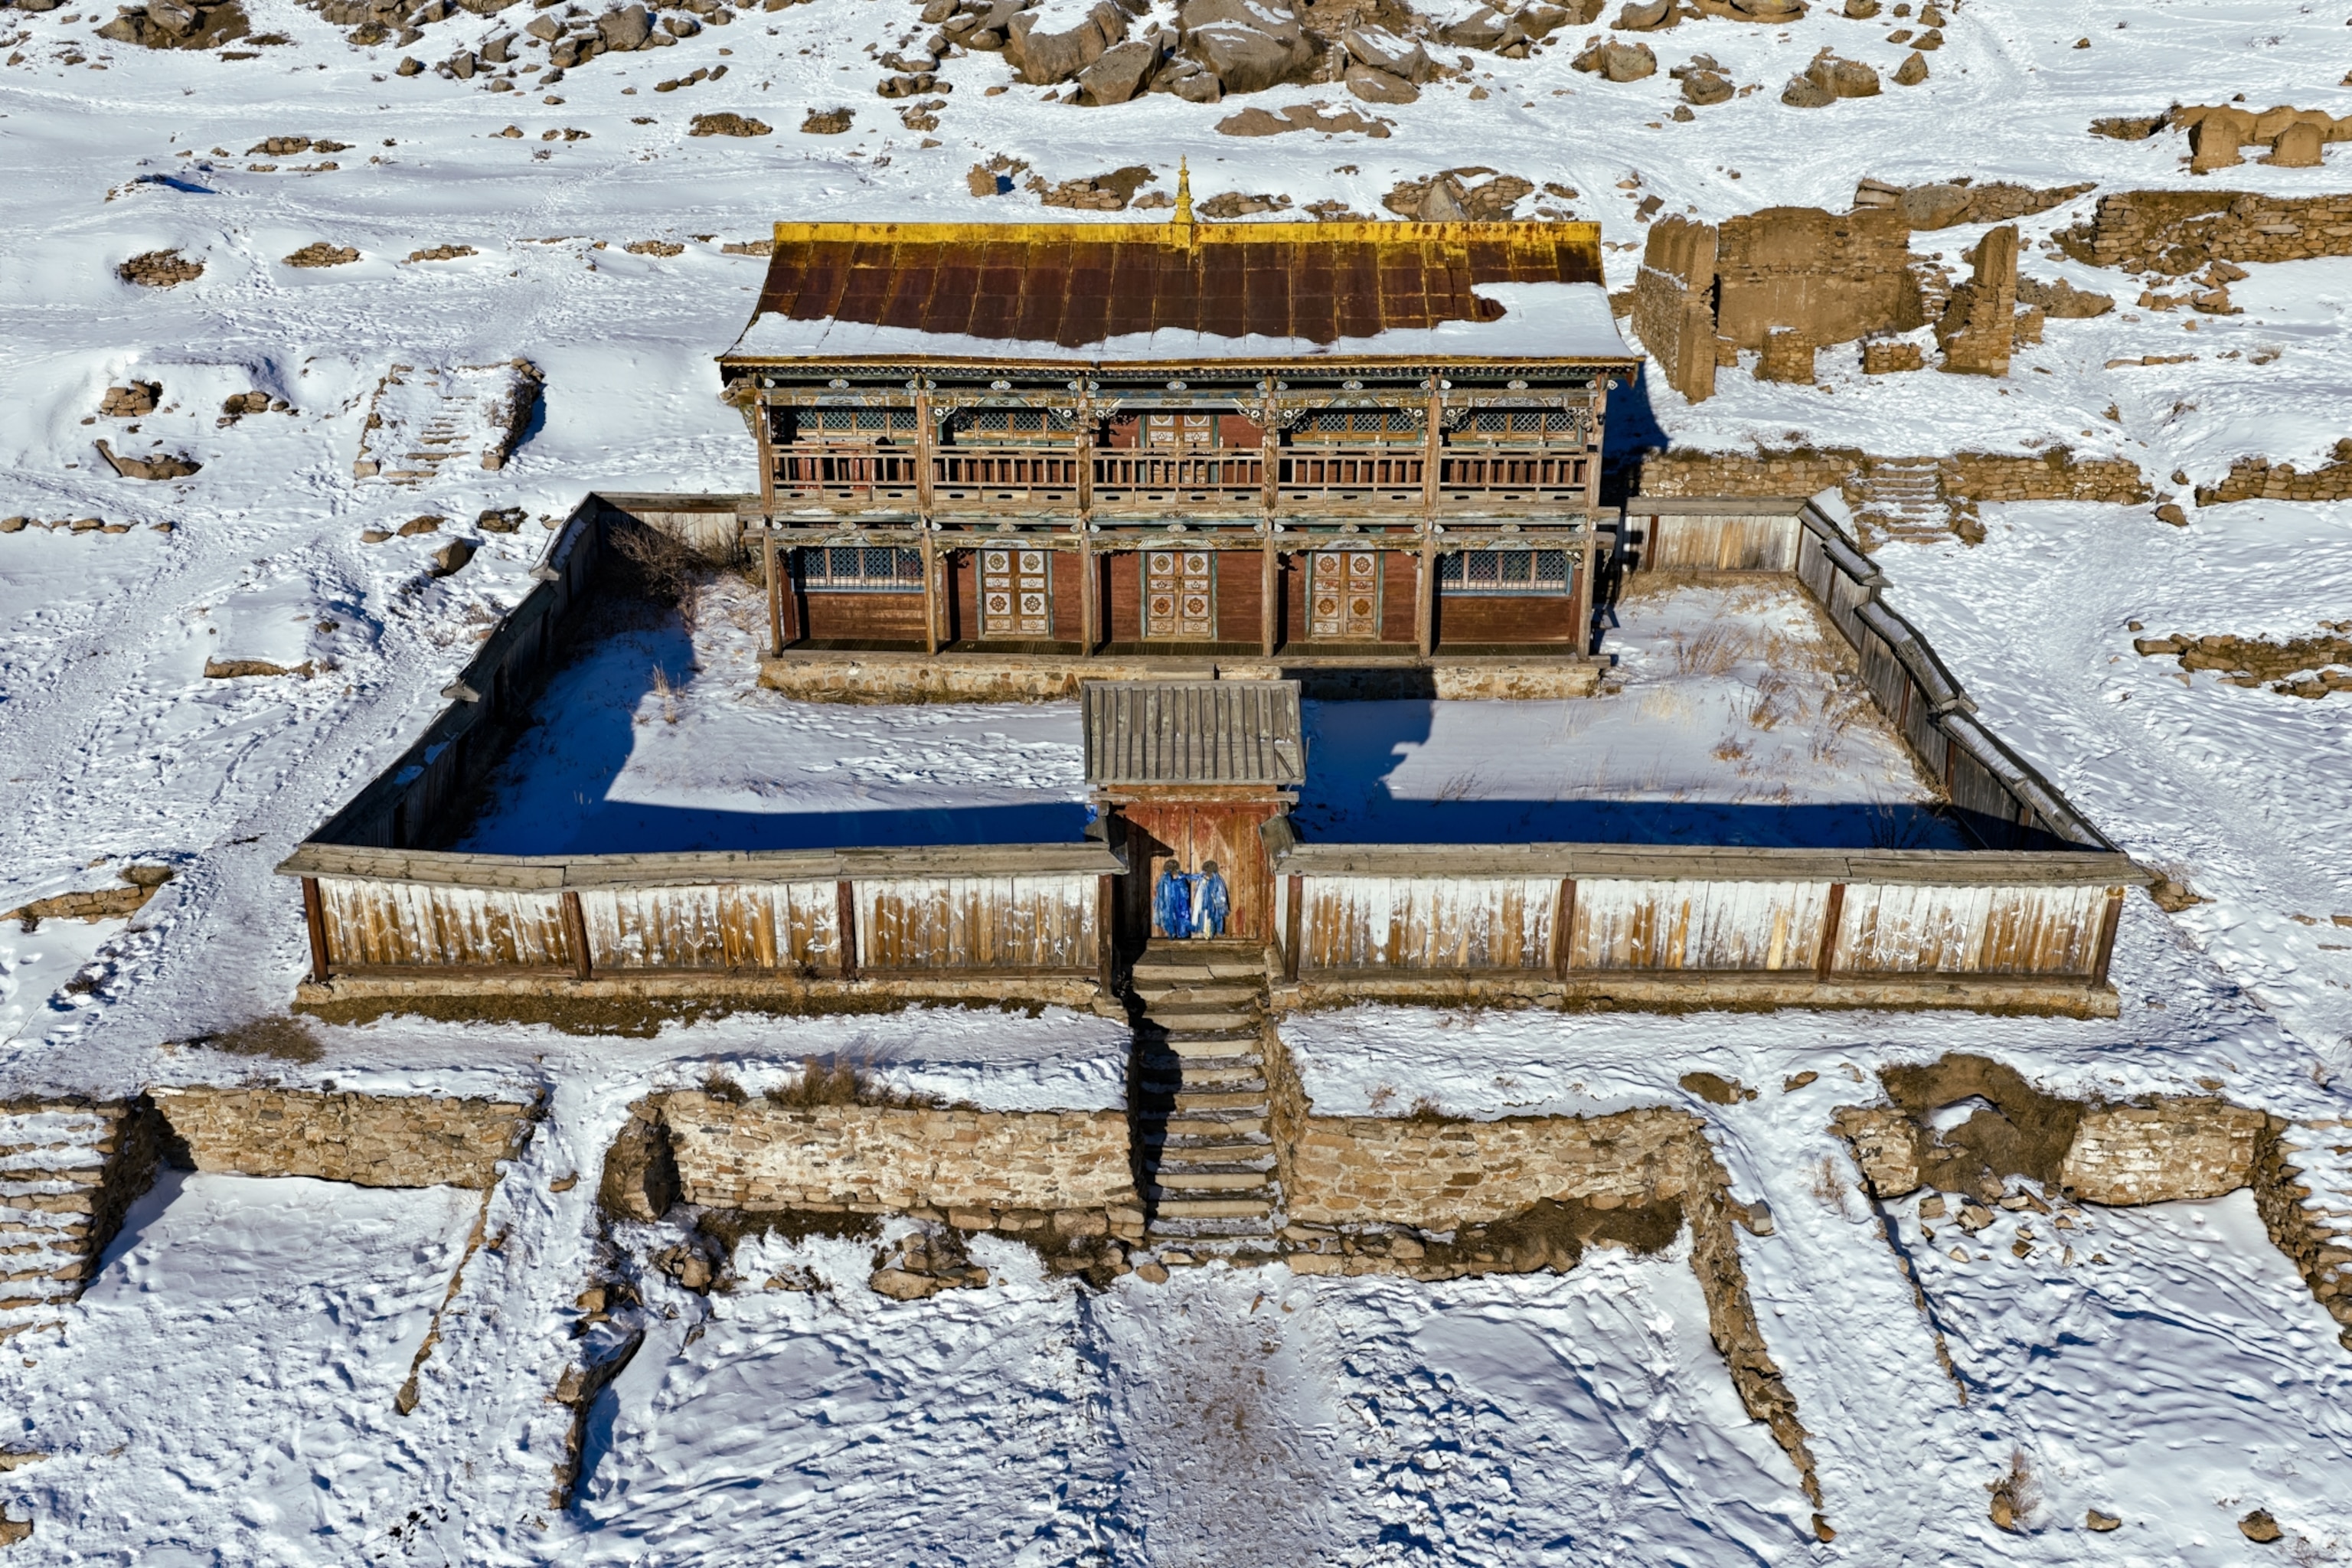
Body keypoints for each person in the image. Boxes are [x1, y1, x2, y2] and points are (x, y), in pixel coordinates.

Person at [1153, 861, 1194, 940]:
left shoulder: (1178, 878)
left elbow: (1184, 890)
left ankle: (1179, 933)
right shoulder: (1165, 879)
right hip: (1172, 901)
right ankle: (1175, 933)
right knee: (1172, 915)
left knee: (1177, 915)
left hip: (1179, 901)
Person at [1194, 859, 1229, 939]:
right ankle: (1207, 934)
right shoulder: (1202, 879)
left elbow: (1220, 892)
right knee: (1206, 918)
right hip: (1205, 903)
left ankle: (1209, 934)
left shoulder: (1217, 880)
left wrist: (1219, 902)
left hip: (1212, 904)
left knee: (1210, 918)